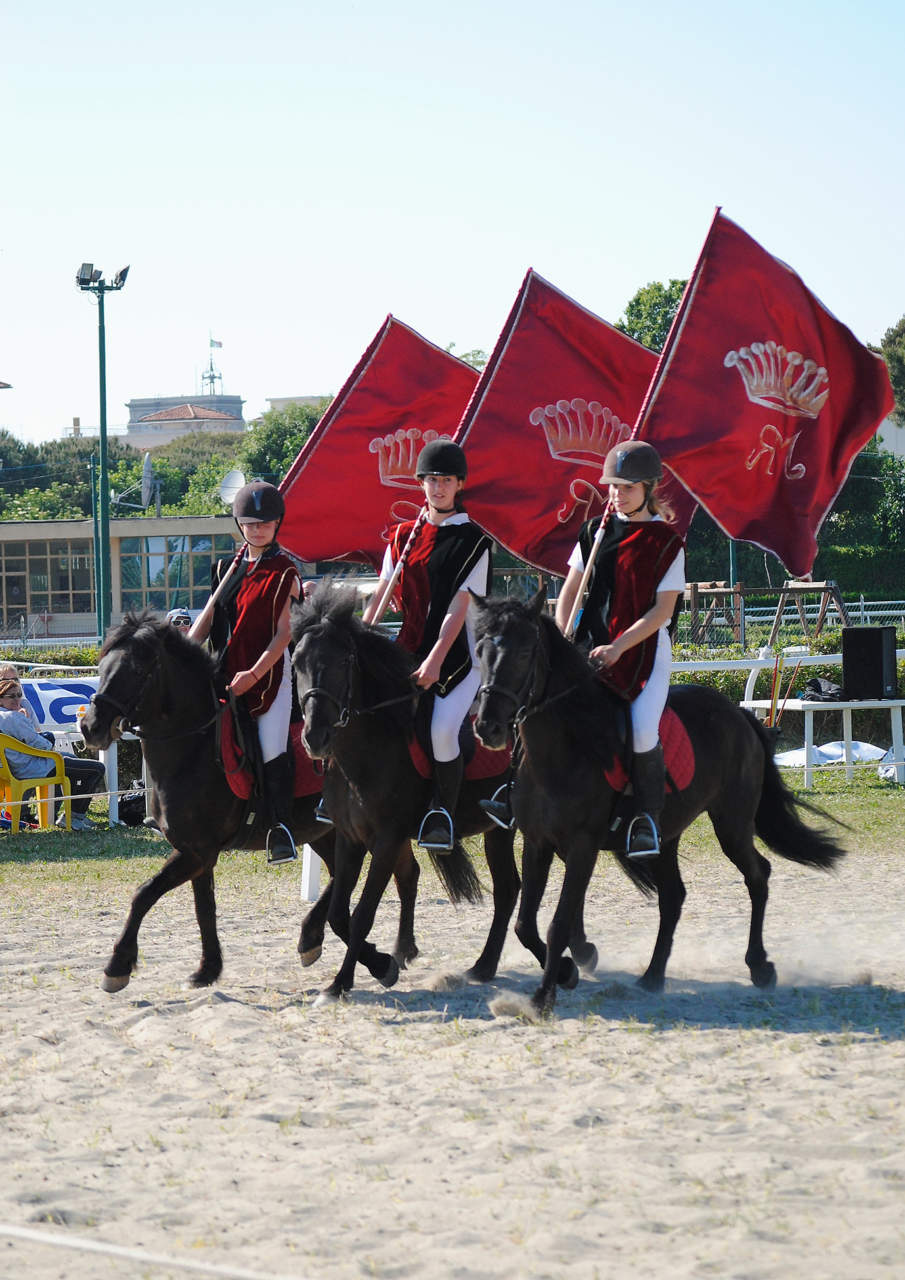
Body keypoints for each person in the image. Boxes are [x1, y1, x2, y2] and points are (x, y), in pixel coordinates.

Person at [554, 440, 685, 858]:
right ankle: (517, 792)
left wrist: (619, 646)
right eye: (612, 487)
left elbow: (663, 611)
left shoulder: (667, 543)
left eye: (626, 488)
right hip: (591, 645)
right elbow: (571, 586)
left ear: (648, 488)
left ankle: (647, 817)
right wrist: (561, 632)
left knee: (643, 729)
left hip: (643, 650)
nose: (617, 494)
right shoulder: (594, 531)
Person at [362, 439, 491, 851]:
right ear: (421, 484)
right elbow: (383, 592)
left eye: (445, 480)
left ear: (459, 484)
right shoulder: (402, 535)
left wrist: (436, 660)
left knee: (440, 730)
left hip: (458, 655)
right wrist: (362, 638)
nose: (437, 488)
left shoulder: (475, 541)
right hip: (408, 647)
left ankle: (442, 812)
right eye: (431, 480)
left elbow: (459, 608)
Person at [190, 481, 300, 864]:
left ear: (277, 524)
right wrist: (186, 650)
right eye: (250, 523)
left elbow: (285, 633)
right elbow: (207, 620)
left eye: (265, 523)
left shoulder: (286, 569)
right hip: (223, 672)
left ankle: (281, 827)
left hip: (268, 677)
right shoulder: (225, 567)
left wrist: (254, 674)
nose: (257, 529)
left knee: (271, 746)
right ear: (239, 525)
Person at [0, 676, 106, 830]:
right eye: (12, 696)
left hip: (11, 769)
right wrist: (49, 740)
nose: (17, 700)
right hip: (32, 767)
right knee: (97, 769)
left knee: (71, 759)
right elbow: (41, 745)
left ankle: (56, 814)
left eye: (19, 695)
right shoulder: (13, 717)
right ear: (1, 700)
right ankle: (74, 816)